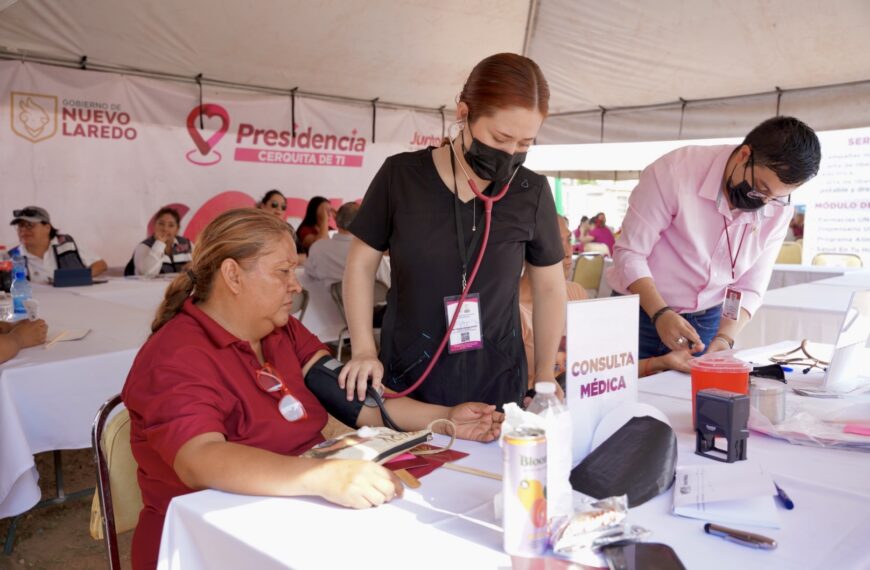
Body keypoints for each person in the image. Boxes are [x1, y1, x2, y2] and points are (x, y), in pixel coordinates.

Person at [122, 209, 503, 569]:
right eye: (283, 271)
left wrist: (444, 418)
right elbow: (200, 459)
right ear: (233, 276)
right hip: (211, 539)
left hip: (294, 510)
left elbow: (353, 397)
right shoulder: (176, 355)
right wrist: (319, 477)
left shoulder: (278, 328)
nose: (295, 284)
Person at [340, 53, 567, 409]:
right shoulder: (400, 177)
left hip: (497, 375)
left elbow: (550, 288)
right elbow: (360, 265)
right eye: (501, 136)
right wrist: (364, 349)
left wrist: (544, 375)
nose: (510, 154)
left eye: (524, 145)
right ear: (463, 113)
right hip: (411, 374)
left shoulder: (530, 192)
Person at [606, 116, 821, 360]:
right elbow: (630, 253)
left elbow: (751, 285)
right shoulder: (674, 172)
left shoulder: (779, 208)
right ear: (744, 155)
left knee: (692, 397)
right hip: (640, 312)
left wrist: (724, 338)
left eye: (777, 197)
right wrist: (659, 313)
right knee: (621, 394)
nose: (764, 203)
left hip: (706, 321)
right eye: (760, 188)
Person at [9, 206, 107, 283]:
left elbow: (100, 265)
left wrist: (77, 277)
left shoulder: (67, 244)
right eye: (20, 226)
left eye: (30, 225)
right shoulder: (12, 256)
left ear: (47, 228)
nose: (23, 230)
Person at [128, 207, 193, 277]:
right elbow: (147, 274)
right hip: (151, 287)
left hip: (180, 286)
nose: (165, 229)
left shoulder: (187, 244)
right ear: (154, 226)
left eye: (171, 225)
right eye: (161, 224)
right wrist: (159, 244)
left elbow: (200, 267)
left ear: (177, 229)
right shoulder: (144, 246)